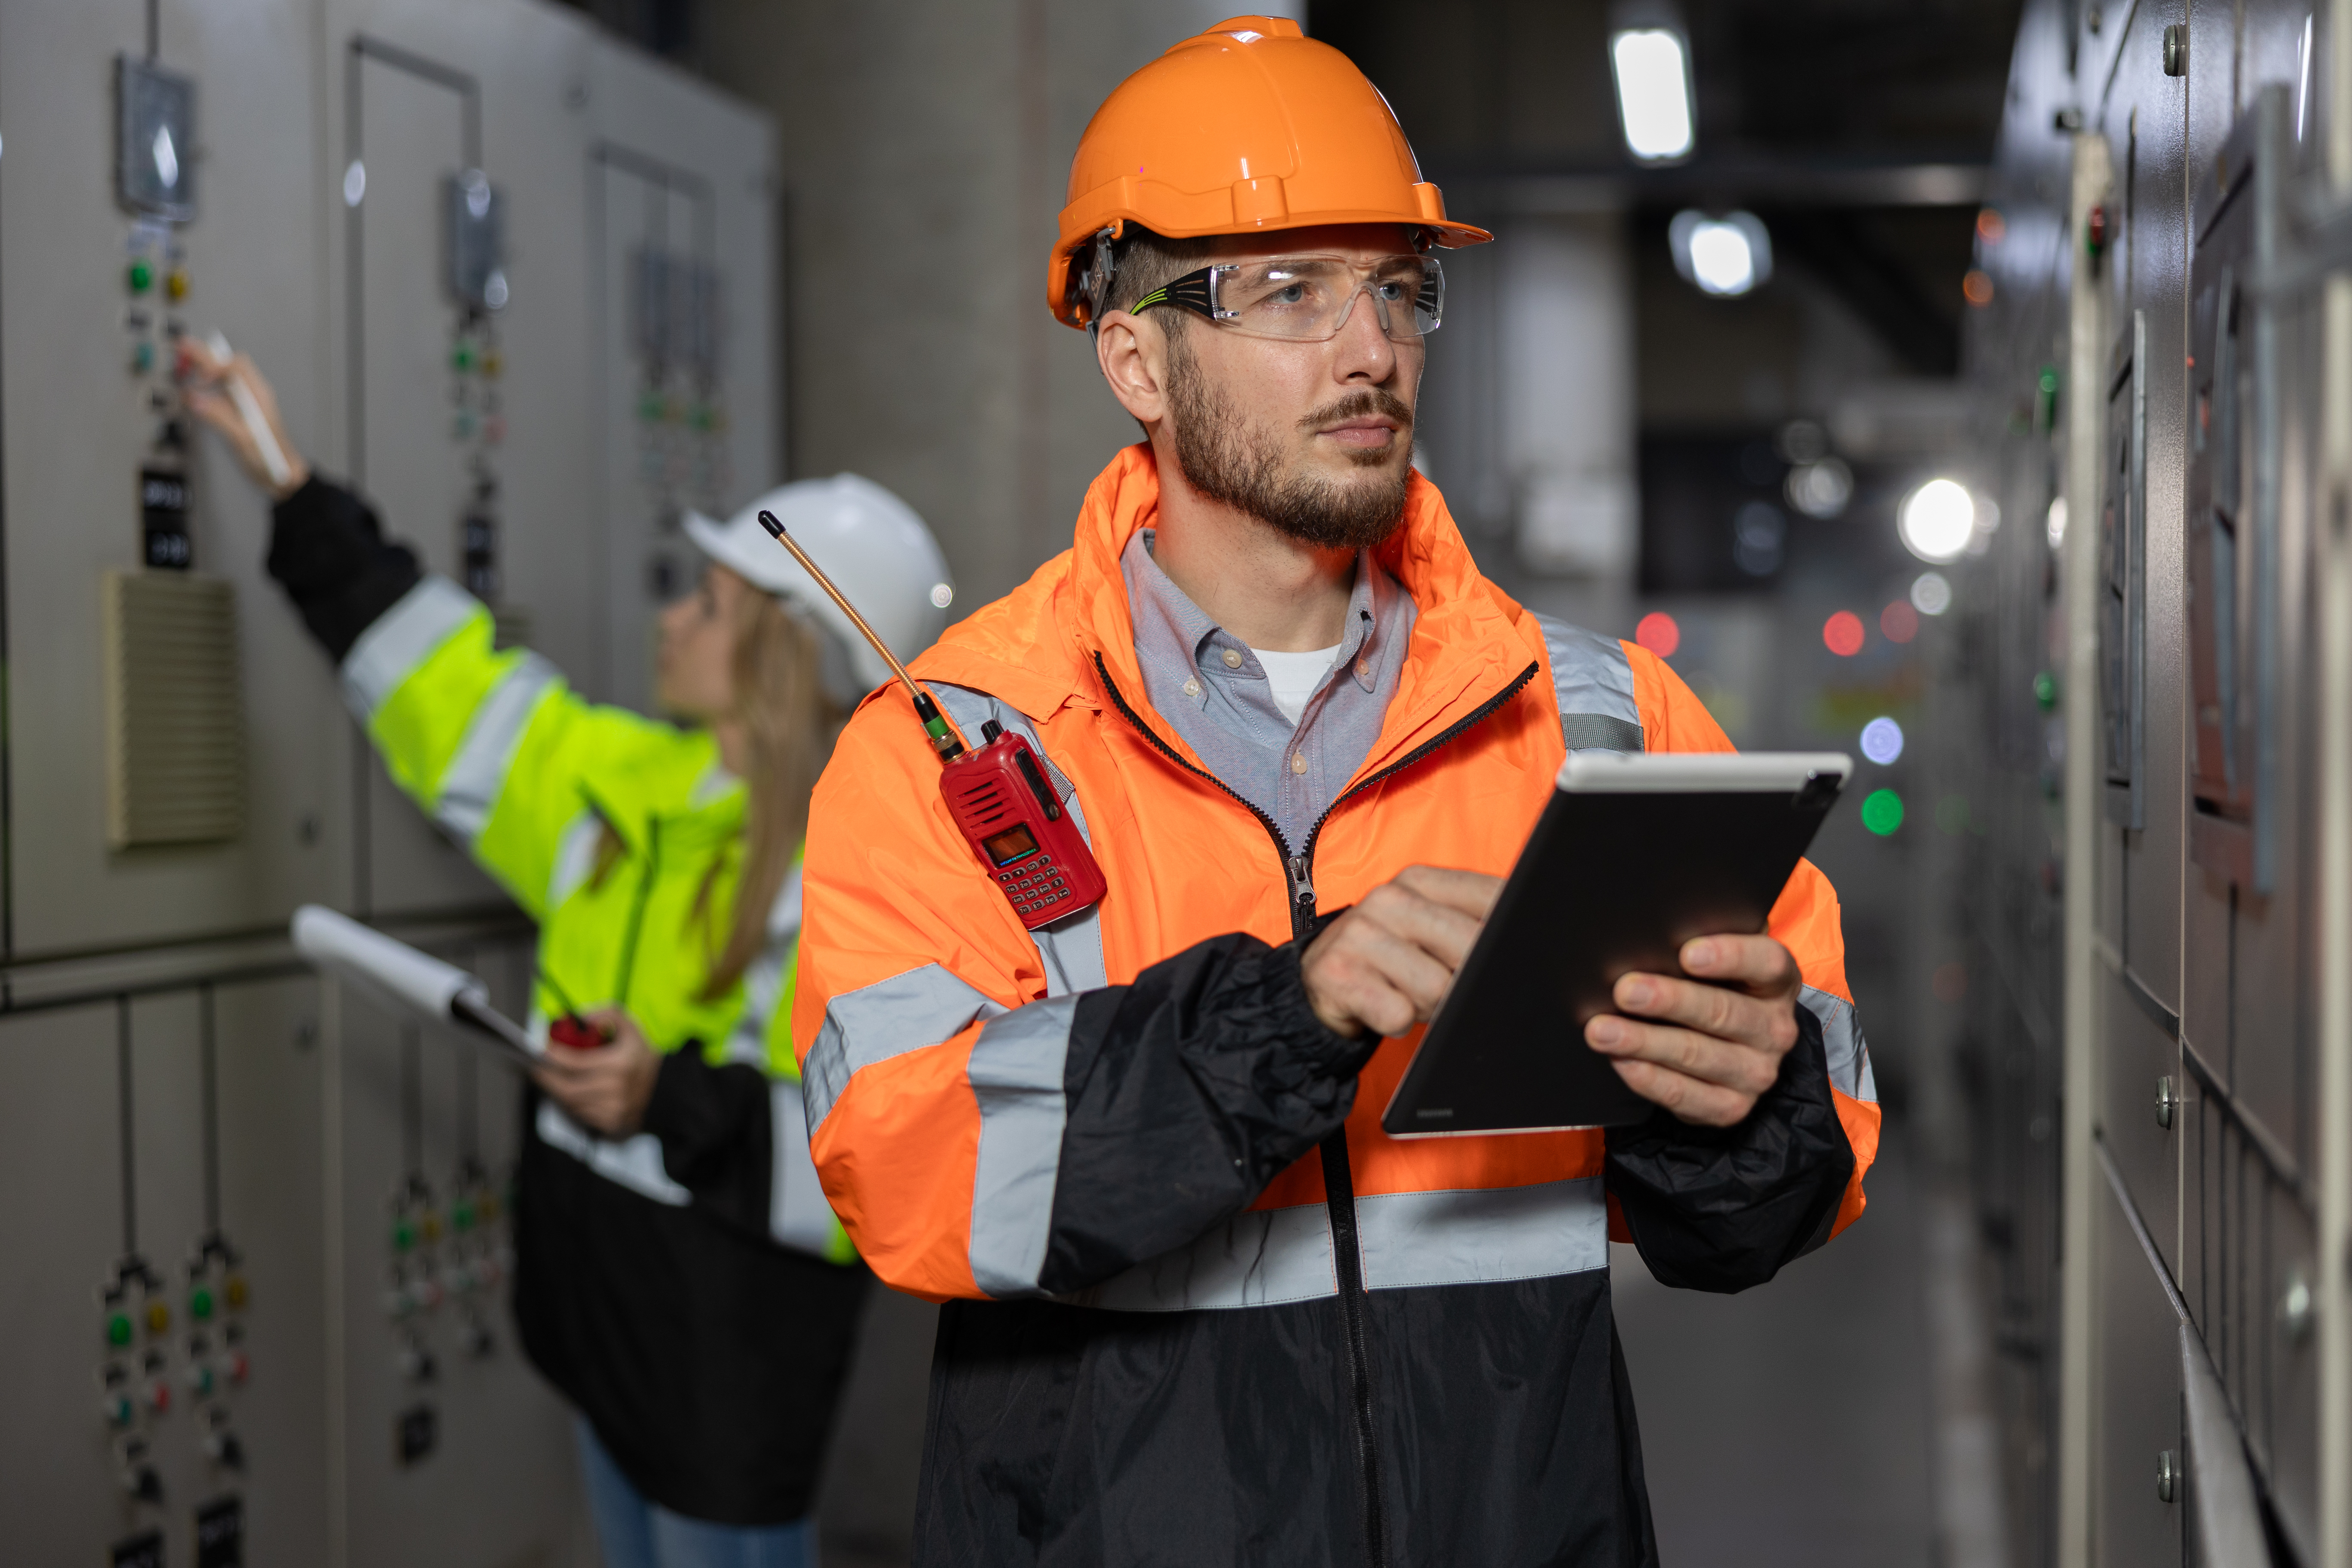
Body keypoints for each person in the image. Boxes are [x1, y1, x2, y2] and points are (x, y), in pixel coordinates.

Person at [792, 18, 1880, 1566]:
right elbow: (900, 1173)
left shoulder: (1602, 717)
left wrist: (1738, 1109)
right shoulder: (958, 740)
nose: (1369, 347)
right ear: (1134, 358)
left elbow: (1801, 1167)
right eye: (1287, 292)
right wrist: (1283, 1019)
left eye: (1393, 286)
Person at [184, 340, 954, 1568]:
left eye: (707, 604)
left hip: (734, 1371)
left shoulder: (878, 871)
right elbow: (448, 690)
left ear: (785, 648)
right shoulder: (621, 786)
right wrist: (291, 491)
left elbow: (893, 1166)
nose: (670, 617)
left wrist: (668, 1097)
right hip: (601, 1327)